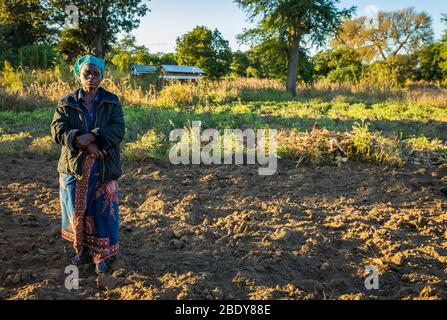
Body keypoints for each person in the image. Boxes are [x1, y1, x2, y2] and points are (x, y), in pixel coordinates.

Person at [51, 54, 125, 274]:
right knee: (77, 209)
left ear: (102, 76)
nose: (91, 77)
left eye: (96, 73)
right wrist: (81, 142)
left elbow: (118, 130)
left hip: (103, 167)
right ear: (78, 75)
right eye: (87, 73)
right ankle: (82, 250)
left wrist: (93, 136)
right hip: (75, 167)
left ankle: (102, 255)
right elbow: (57, 130)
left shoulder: (111, 101)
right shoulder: (66, 103)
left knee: (103, 211)